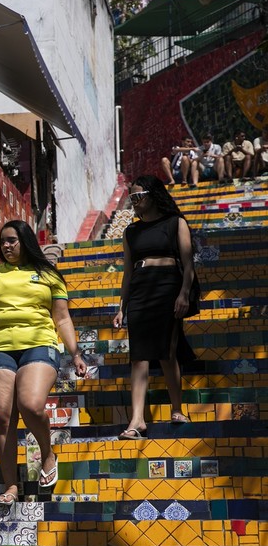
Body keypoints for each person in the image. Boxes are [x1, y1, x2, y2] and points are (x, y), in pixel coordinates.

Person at [0, 220, 87, 508]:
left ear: (26, 241)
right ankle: (11, 487)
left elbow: (63, 318)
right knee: (4, 419)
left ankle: (47, 453)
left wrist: (76, 353)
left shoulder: (49, 275)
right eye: (3, 241)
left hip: (40, 344)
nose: (6, 246)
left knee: (30, 404)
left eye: (12, 240)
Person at [112, 175, 195, 440]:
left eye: (137, 197)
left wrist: (184, 293)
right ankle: (137, 420)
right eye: (131, 198)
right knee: (138, 356)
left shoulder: (175, 223)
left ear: (152, 195)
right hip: (139, 290)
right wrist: (121, 307)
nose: (134, 202)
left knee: (167, 352)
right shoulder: (131, 232)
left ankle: (177, 408)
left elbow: (188, 264)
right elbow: (126, 273)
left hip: (168, 288)